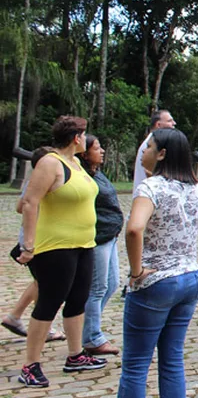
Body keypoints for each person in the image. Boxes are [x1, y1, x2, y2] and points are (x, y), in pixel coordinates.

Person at [109, 128, 198, 398]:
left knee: (136, 366)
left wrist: (136, 271)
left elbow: (134, 229)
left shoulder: (150, 188)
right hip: (189, 279)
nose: (144, 152)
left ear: (162, 153)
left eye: (148, 146)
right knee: (172, 358)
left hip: (156, 283)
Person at [17, 116, 104, 388]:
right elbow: (29, 203)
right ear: (76, 137)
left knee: (78, 299)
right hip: (56, 246)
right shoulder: (50, 163)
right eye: (84, 135)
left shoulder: (75, 162)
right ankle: (30, 364)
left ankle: (75, 354)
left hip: (83, 244)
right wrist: (28, 245)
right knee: (50, 302)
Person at [3, 147, 66, 343]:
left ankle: (14, 317)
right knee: (46, 285)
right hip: (39, 241)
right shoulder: (40, 180)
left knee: (41, 283)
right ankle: (42, 327)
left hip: (42, 239)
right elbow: (22, 207)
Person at [77, 134, 125, 356]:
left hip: (109, 236)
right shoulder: (83, 176)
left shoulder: (98, 172)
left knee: (112, 284)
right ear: (85, 153)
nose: (102, 151)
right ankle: (92, 337)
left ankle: (86, 326)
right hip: (97, 238)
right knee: (97, 288)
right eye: (97, 148)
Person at [133, 109, 176, 196]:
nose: (174, 123)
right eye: (169, 121)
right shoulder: (153, 146)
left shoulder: (151, 143)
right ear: (158, 125)